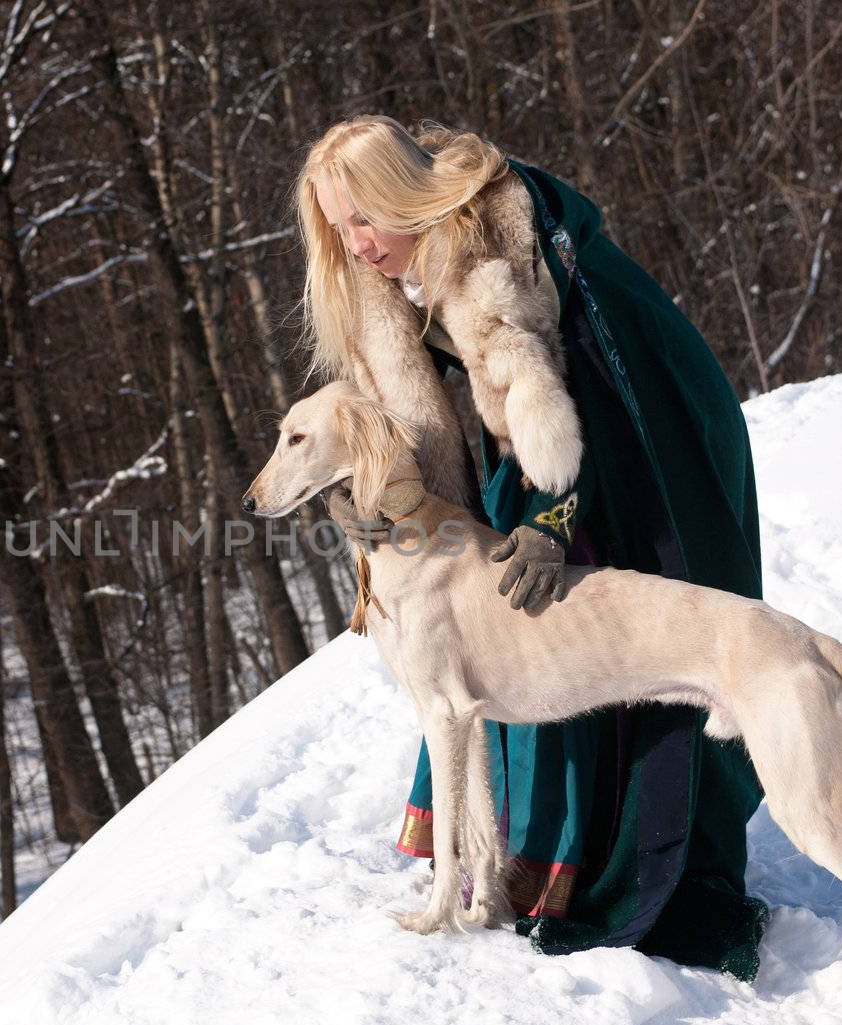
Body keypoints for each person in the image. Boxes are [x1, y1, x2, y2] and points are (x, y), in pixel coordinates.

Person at [295, 115, 772, 979]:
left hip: (650, 411)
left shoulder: (498, 254)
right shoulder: (379, 281)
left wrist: (556, 518)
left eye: (366, 217)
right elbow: (420, 440)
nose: (357, 244)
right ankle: (534, 861)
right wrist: (391, 530)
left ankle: (670, 866)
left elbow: (584, 399)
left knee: (658, 620)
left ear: (408, 195)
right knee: (506, 623)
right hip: (533, 426)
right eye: (339, 226)